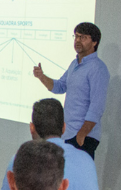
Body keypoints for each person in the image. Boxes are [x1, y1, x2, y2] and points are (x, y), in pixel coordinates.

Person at [32, 22, 109, 160]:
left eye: (83, 37)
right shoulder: (74, 64)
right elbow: (60, 87)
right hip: (68, 133)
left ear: (94, 42)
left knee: (77, 172)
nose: (78, 40)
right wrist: (42, 77)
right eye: (76, 36)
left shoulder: (97, 68)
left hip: (83, 136)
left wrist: (82, 134)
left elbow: (97, 106)